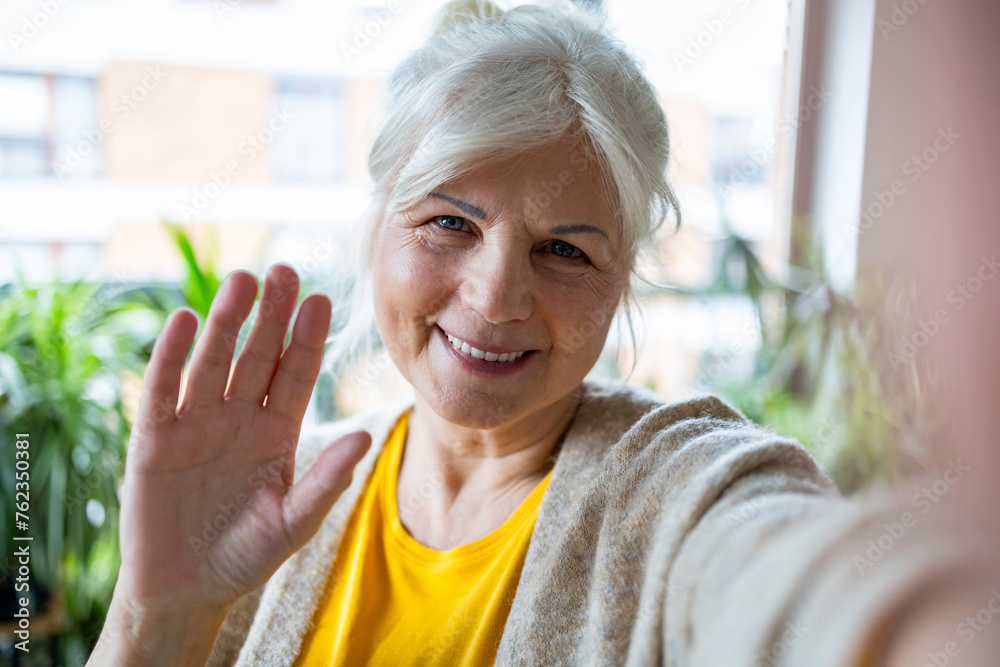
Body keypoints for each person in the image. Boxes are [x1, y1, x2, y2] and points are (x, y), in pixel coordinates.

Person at [86, 1, 998, 666]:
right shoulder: (283, 495)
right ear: (376, 225)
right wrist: (154, 611)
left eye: (564, 248)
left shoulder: (679, 487)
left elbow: (792, 581)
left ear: (623, 277)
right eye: (450, 223)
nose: (495, 297)